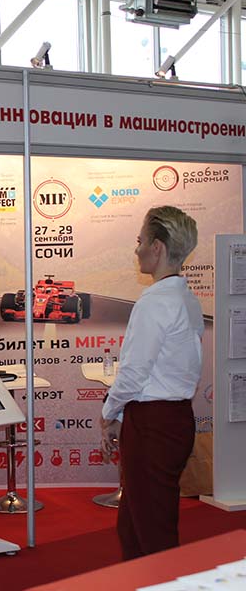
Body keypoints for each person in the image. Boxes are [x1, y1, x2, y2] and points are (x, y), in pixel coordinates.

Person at [100, 205, 203, 561]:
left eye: (140, 240)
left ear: (157, 247)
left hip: (153, 425)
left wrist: (109, 412)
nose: (137, 249)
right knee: (135, 525)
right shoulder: (185, 298)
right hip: (169, 419)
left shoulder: (156, 301)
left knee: (152, 533)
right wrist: (122, 416)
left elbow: (134, 373)